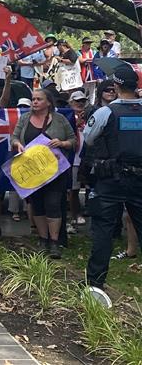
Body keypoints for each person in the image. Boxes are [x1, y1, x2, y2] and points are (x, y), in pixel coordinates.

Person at [83, 64, 142, 289]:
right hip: (140, 180)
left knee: (103, 232)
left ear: (116, 85)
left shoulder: (105, 112)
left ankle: (95, 285)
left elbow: (88, 139)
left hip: (111, 180)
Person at [11, 89, 76, 259]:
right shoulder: (25, 119)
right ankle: (43, 239)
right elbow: (14, 137)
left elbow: (73, 140)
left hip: (54, 172)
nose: (35, 102)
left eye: (39, 99)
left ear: (48, 102)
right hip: (33, 171)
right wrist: (18, 144)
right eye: (33, 99)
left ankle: (54, 242)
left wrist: (62, 143)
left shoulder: (60, 120)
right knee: (37, 205)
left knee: (53, 204)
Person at [68, 90, 89, 230]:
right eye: (77, 101)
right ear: (71, 102)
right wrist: (77, 123)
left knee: (88, 187)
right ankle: (74, 215)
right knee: (73, 190)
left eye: (82, 101)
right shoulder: (68, 117)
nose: (80, 103)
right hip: (74, 158)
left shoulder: (91, 116)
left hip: (87, 158)